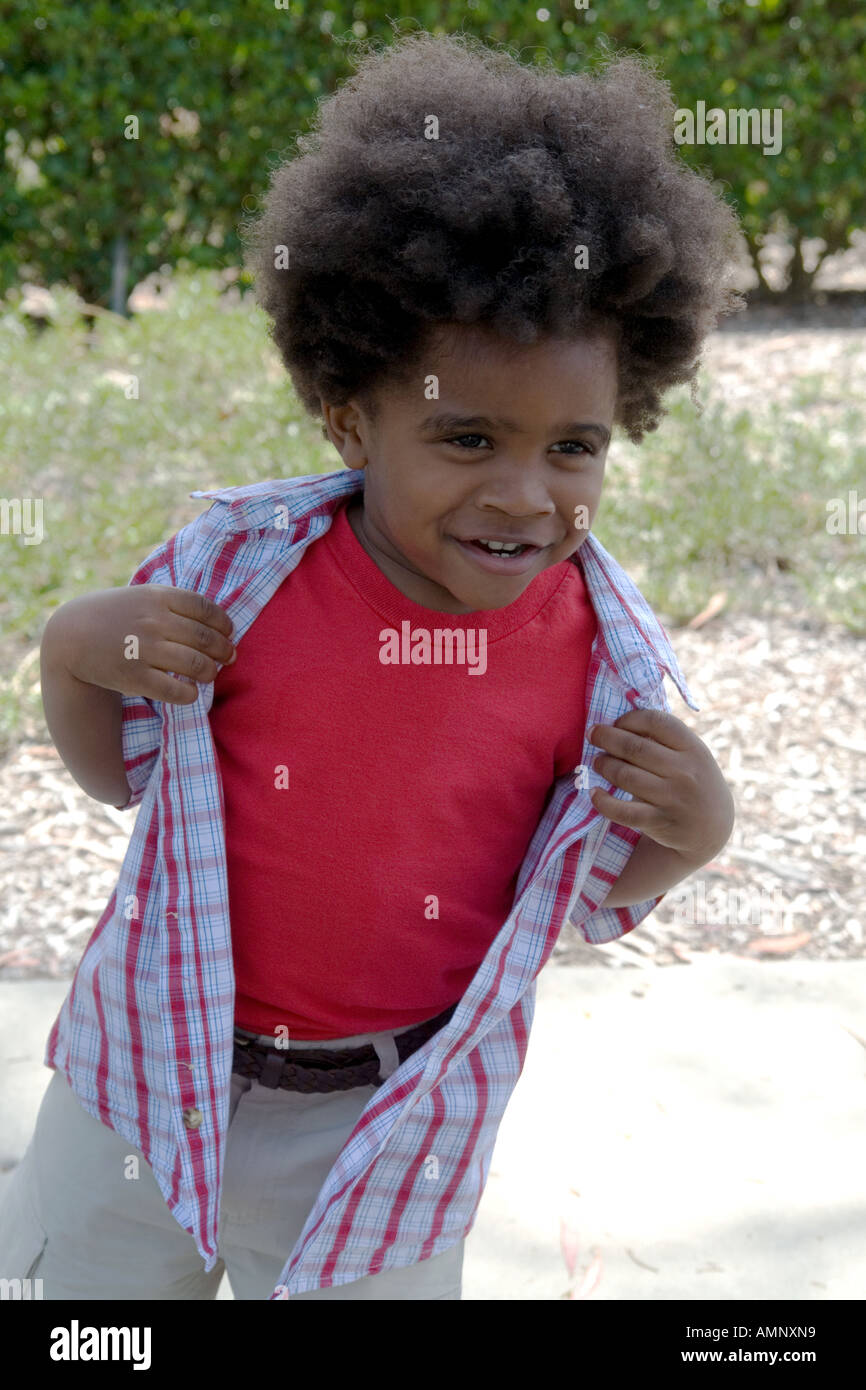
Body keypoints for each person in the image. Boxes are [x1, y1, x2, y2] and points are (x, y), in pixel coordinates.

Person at [0, 30, 739, 1300]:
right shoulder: (238, 571)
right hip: (144, 1073)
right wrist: (74, 652)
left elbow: (590, 897)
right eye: (465, 436)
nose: (524, 494)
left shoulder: (595, 663)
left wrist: (698, 830)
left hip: (385, 1120)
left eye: (573, 446)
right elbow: (117, 780)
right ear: (350, 416)